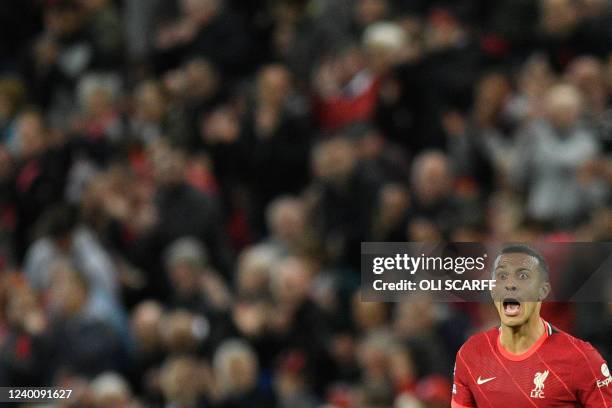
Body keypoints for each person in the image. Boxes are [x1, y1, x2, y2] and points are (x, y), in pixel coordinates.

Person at [451, 245, 612, 407]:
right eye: (502, 276)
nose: (510, 285)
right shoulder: (470, 353)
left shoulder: (581, 357)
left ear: (543, 291)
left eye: (522, 276)